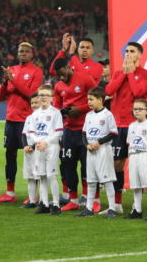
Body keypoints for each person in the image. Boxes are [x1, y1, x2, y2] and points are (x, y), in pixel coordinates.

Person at [105, 42, 147, 215]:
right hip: (118, 125)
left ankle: (137, 205)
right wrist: (123, 75)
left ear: (139, 55)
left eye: (132, 51)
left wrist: (131, 74)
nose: (128, 54)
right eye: (126, 51)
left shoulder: (146, 74)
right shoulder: (118, 73)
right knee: (117, 163)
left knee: (136, 164)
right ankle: (117, 203)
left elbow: (139, 93)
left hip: (135, 126)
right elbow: (109, 90)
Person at [0, 42, 43, 203]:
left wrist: (13, 80)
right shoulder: (12, 70)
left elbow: (31, 94)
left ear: (31, 54)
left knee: (31, 155)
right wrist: (4, 81)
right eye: (20, 51)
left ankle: (33, 195)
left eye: (26, 51)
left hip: (27, 120)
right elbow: (1, 97)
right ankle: (9, 193)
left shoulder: (36, 72)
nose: (23, 53)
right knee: (10, 155)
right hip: (11, 119)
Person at [53, 57, 97, 211]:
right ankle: (73, 199)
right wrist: (62, 113)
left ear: (68, 66)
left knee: (87, 164)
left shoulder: (85, 78)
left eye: (62, 73)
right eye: (58, 75)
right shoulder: (58, 86)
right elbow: (57, 105)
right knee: (68, 164)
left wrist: (81, 109)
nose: (61, 77)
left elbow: (98, 97)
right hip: (69, 131)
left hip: (86, 130)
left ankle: (87, 196)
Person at [77, 86, 118, 218]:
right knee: (91, 181)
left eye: (91, 99)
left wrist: (98, 142)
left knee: (107, 180)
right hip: (91, 151)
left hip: (103, 151)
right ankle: (89, 208)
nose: (88, 102)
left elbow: (113, 133)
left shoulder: (107, 115)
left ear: (100, 100)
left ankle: (112, 208)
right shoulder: (88, 115)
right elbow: (84, 133)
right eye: (88, 99)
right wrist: (87, 144)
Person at [24, 85, 63, 215]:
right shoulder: (35, 114)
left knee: (51, 175)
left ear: (52, 97)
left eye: (46, 95)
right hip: (39, 147)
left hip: (51, 147)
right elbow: (31, 132)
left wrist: (45, 142)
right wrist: (38, 142)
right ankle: (45, 204)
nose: (44, 97)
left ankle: (56, 205)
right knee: (42, 176)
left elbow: (58, 132)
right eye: (41, 95)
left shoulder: (56, 113)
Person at [125, 99, 147, 221]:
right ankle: (137, 210)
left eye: (140, 109)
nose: (137, 111)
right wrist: (129, 161)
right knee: (136, 185)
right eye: (135, 109)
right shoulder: (131, 126)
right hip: (134, 156)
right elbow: (130, 145)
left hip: (145, 155)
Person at [21, 92, 41, 208]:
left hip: (37, 150)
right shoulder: (29, 118)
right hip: (28, 150)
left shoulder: (43, 117)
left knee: (40, 176)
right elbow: (24, 133)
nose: (33, 105)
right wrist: (25, 146)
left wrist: (32, 147)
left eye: (36, 102)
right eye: (32, 103)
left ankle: (43, 201)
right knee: (30, 177)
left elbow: (41, 135)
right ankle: (32, 200)